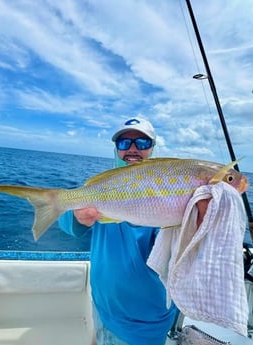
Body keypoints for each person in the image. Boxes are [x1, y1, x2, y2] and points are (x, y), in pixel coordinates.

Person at [58, 117, 181, 345]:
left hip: (142, 323)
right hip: (102, 305)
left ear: (153, 149)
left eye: (142, 143)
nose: (132, 149)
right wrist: (75, 218)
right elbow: (67, 226)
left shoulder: (170, 193)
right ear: (116, 149)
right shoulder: (99, 187)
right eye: (124, 143)